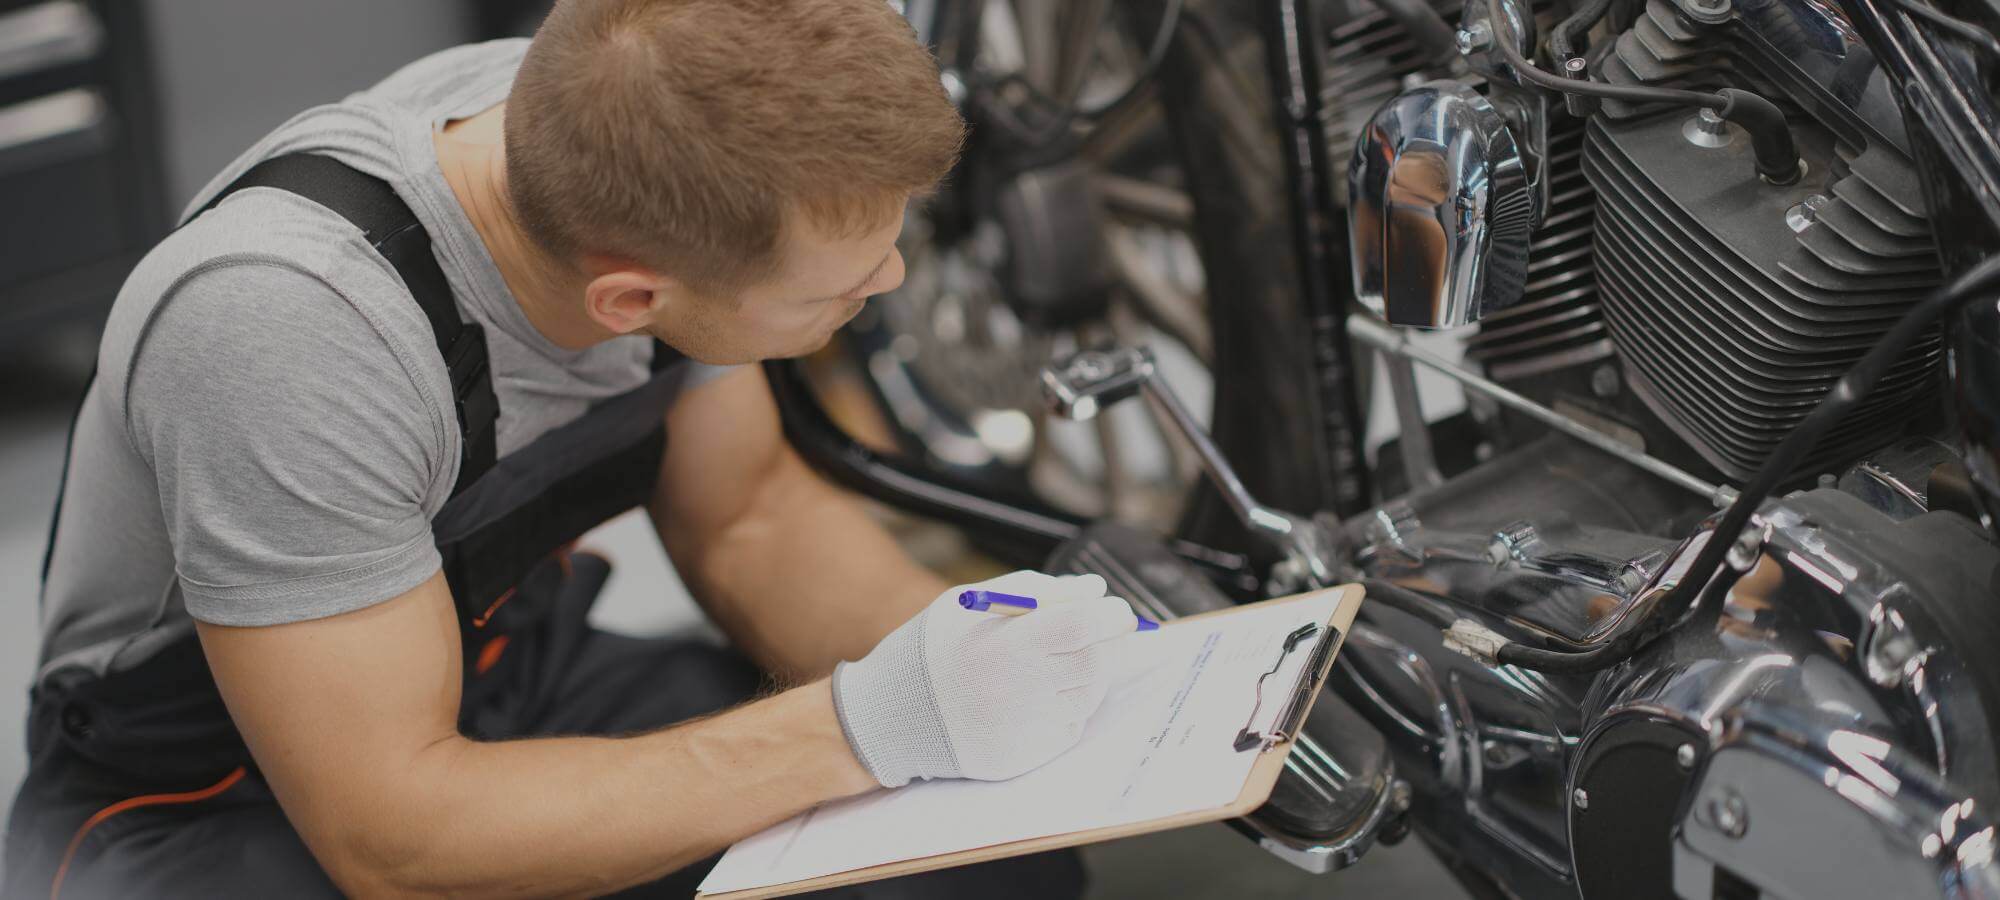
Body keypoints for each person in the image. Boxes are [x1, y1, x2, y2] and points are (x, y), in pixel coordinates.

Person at [2, 1, 1139, 896]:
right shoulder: (284, 335)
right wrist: (865, 724)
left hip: (501, 666)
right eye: (842, 293)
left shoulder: (647, 132)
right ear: (628, 300)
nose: (887, 284)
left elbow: (747, 517)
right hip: (210, 804)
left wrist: (1033, 695)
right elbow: (397, 841)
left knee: (980, 858)